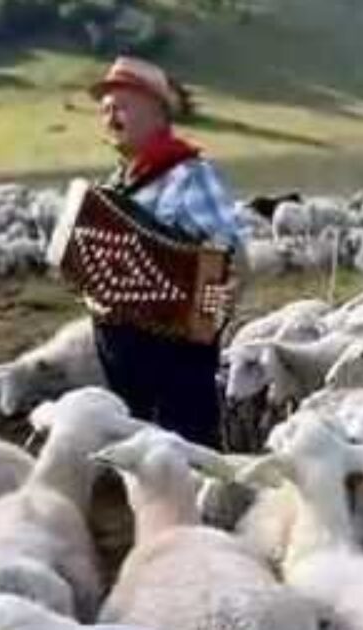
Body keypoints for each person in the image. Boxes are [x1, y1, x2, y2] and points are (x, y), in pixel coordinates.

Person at [84, 56, 244, 448]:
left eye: (120, 106)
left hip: (177, 357)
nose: (110, 117)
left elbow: (233, 257)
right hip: (121, 358)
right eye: (105, 109)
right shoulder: (114, 188)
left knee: (186, 457)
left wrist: (211, 309)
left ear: (156, 111)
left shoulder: (189, 175)